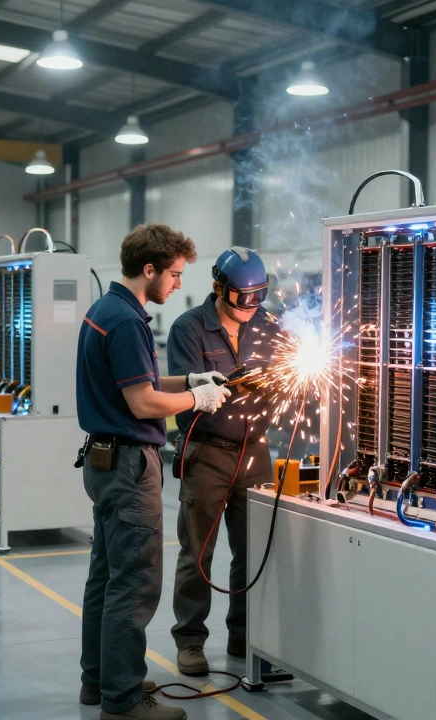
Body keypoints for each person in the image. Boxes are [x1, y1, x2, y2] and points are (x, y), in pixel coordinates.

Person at [76, 224, 231, 720]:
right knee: (135, 584)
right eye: (175, 274)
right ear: (150, 270)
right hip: (127, 466)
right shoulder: (126, 321)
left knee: (106, 578)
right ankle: (122, 702)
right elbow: (143, 401)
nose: (179, 285)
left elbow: (139, 379)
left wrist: (188, 378)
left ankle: (99, 682)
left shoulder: (108, 310)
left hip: (103, 460)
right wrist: (196, 399)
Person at [166, 247, 278, 676]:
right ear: (219, 288)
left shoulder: (268, 326)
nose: (250, 308)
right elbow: (187, 398)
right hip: (207, 451)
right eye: (241, 298)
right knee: (198, 550)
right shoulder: (189, 328)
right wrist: (234, 384)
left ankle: (245, 634)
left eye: (258, 297)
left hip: (256, 451)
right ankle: (190, 640)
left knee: (253, 550)